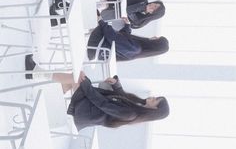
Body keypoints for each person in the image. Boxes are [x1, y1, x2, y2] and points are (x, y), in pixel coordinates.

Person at [24, 56, 169, 131]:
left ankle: (36, 74)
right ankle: (40, 88)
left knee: (76, 77)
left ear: (155, 108)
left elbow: (103, 104)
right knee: (73, 80)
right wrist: (116, 84)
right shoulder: (138, 106)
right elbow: (122, 97)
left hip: (86, 112)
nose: (152, 97)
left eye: (155, 99)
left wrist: (86, 84)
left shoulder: (132, 114)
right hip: (91, 108)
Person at [87, 17, 169, 61]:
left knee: (97, 15)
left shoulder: (135, 48)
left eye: (157, 38)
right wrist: (127, 26)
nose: (154, 36)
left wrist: (101, 21)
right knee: (106, 23)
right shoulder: (137, 49)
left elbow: (113, 38)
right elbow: (123, 39)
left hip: (96, 45)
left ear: (155, 43)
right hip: (99, 47)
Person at [100, 0, 165, 29]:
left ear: (153, 13)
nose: (152, 5)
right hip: (111, 0)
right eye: (155, 4)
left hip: (110, 17)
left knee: (103, 7)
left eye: (155, 7)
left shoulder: (140, 22)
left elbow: (127, 11)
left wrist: (143, 7)